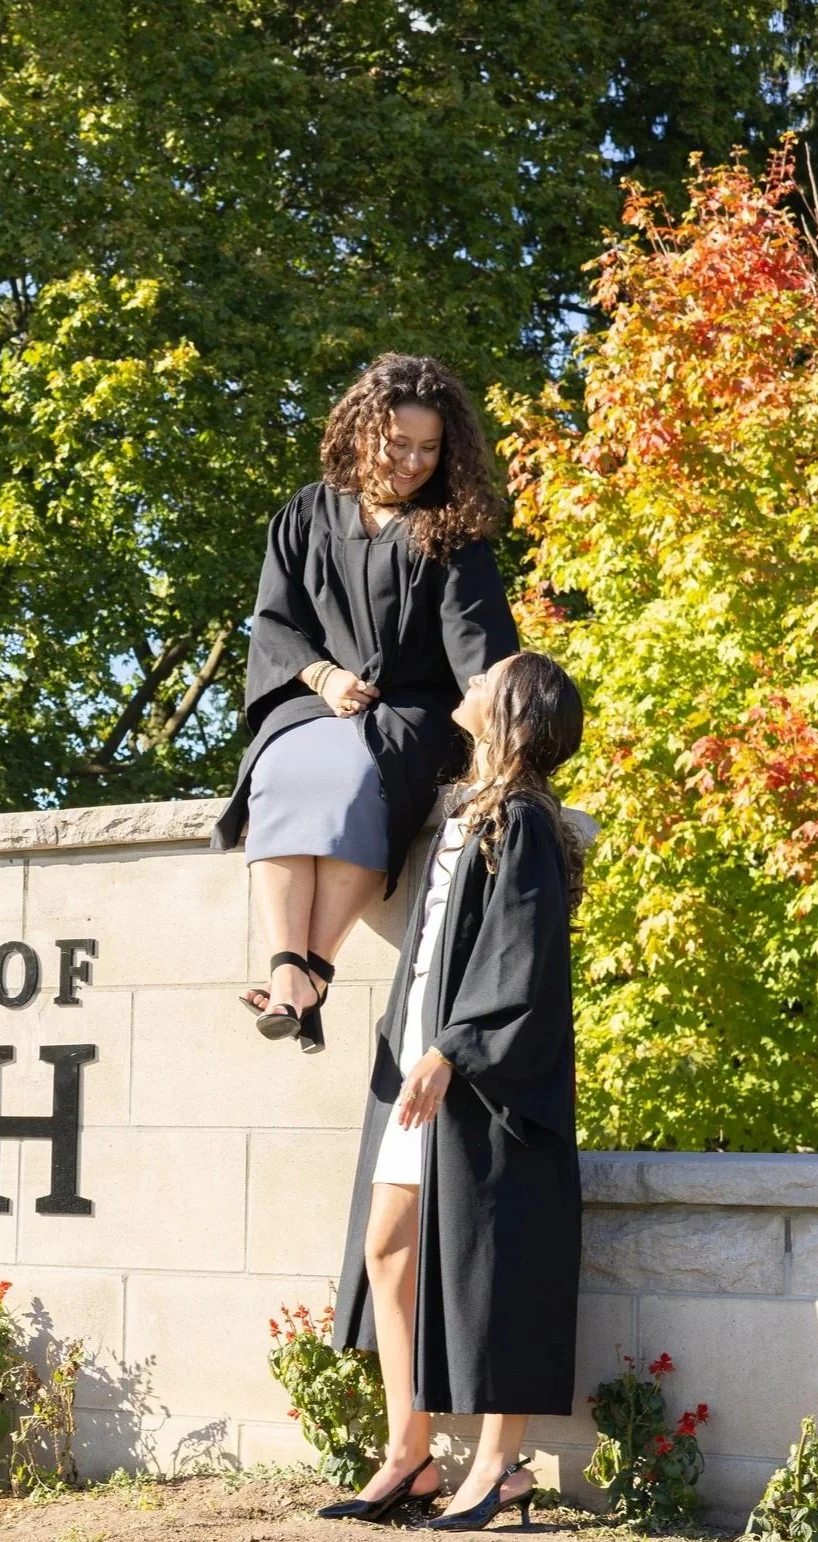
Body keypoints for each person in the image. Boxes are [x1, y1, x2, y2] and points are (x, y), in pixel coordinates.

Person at [316, 650, 586, 1530]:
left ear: (515, 708)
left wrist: (455, 1049)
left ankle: (500, 1470)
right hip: (421, 1064)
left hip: (484, 1079)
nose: (465, 686)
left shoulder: (526, 822)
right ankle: (409, 1454)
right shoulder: (465, 811)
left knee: (500, 1264)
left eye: (485, 681)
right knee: (387, 1247)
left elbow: (524, 955)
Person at [213, 354, 519, 1051]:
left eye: (429, 448)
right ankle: (291, 964)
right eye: (398, 443)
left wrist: (507, 736)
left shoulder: (450, 531)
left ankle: (311, 970)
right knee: (283, 771)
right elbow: (274, 622)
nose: (413, 462)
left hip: (414, 710)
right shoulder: (307, 513)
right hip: (313, 696)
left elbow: (479, 648)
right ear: (362, 433)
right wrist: (322, 677)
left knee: (358, 773)